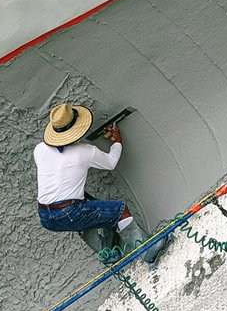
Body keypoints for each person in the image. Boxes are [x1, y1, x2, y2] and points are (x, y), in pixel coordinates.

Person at [34, 104, 167, 263]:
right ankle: (148, 252)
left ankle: (109, 253)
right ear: (77, 128)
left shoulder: (39, 149)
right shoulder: (85, 151)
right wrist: (117, 141)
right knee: (119, 210)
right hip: (68, 212)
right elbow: (111, 163)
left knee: (91, 211)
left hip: (46, 217)